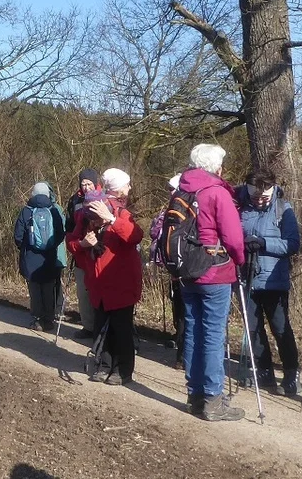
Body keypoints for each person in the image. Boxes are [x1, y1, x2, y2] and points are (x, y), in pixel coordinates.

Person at [177, 143, 246, 421]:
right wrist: (239, 260)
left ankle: (195, 395)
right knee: (213, 335)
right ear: (216, 167)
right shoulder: (217, 192)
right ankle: (213, 399)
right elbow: (233, 237)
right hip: (214, 271)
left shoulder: (182, 189)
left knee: (193, 331)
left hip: (186, 270)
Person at [65, 169, 144, 386]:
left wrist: (111, 220)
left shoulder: (122, 213)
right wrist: (82, 244)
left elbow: (135, 236)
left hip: (121, 282)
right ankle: (103, 365)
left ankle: (123, 370)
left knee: (122, 328)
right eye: (127, 185)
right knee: (101, 328)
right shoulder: (85, 215)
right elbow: (71, 242)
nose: (129, 189)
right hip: (98, 283)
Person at [236, 169, 302, 396]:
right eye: (256, 197)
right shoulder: (240, 207)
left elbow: (293, 244)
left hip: (274, 279)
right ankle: (263, 372)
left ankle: (291, 373)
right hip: (247, 277)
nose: (260, 201)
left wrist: (264, 243)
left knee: (281, 328)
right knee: (252, 328)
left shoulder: (283, 209)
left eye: (264, 197)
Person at [13, 182, 67, 331]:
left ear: (33, 194)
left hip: (30, 258)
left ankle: (37, 320)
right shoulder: (54, 210)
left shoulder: (26, 211)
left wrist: (24, 247)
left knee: (35, 289)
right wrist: (52, 245)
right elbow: (61, 234)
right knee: (49, 288)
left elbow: (18, 235)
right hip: (49, 258)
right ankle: (49, 320)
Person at [149, 173, 186, 368]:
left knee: (186, 313)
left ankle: (185, 354)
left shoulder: (185, 211)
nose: (170, 193)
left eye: (173, 189)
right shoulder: (167, 213)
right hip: (174, 271)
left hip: (188, 270)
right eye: (170, 190)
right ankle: (182, 354)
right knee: (179, 312)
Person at [64, 168, 100, 340]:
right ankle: (88, 326)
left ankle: (100, 327)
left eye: (89, 184)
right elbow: (69, 225)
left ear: (96, 183)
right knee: (83, 293)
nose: (86, 187)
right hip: (80, 253)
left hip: (98, 255)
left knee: (98, 293)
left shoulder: (104, 197)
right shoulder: (75, 200)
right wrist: (76, 242)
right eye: (83, 184)